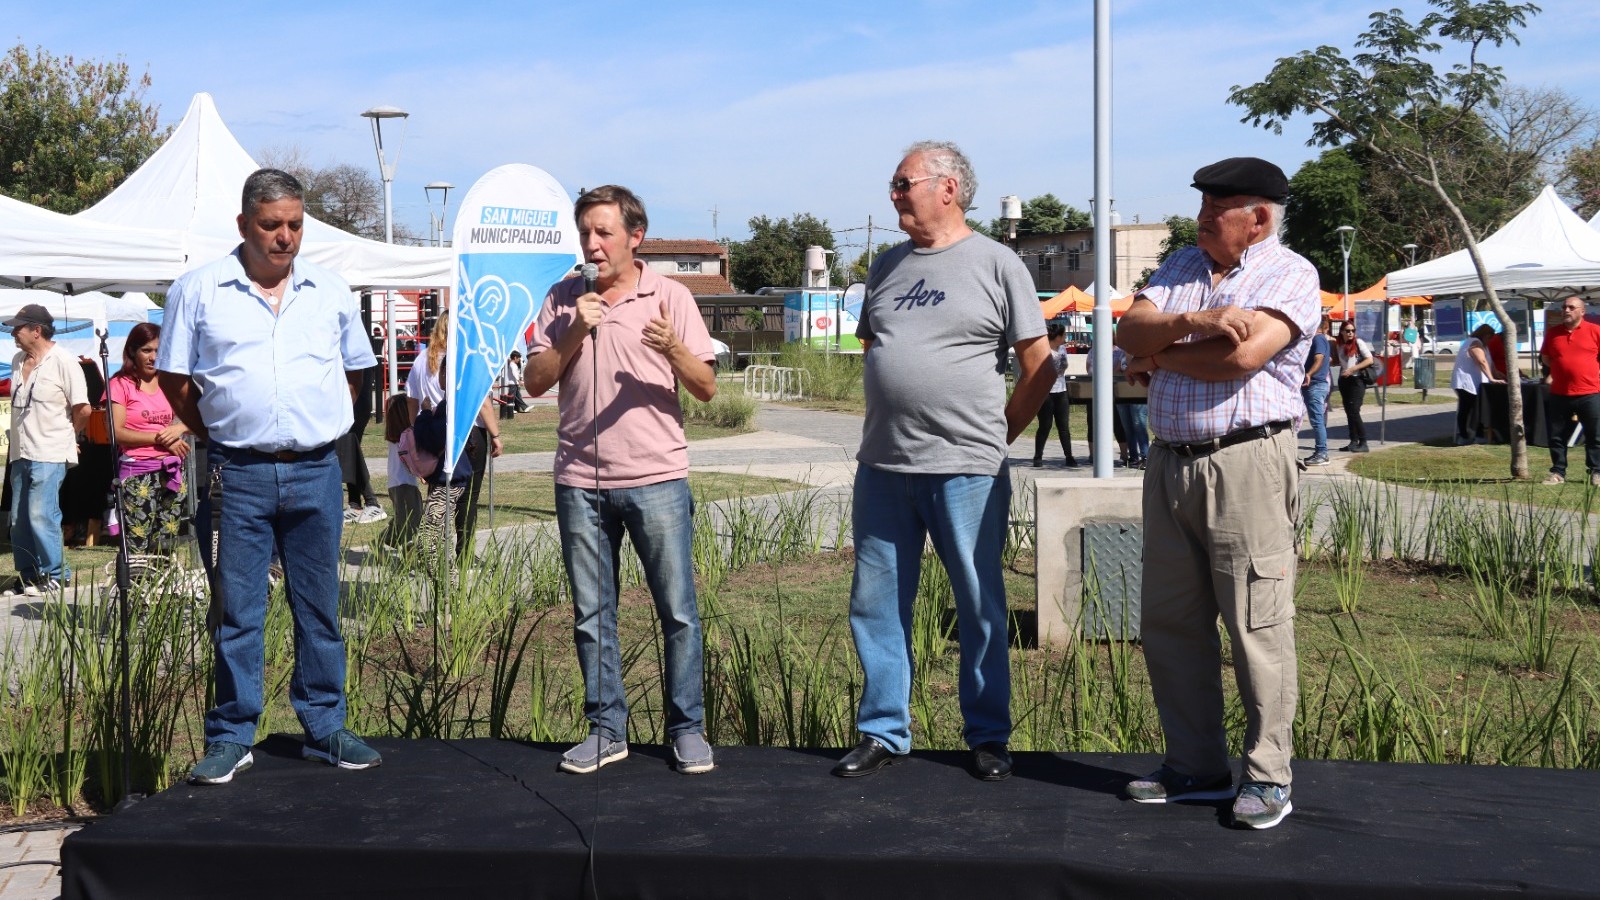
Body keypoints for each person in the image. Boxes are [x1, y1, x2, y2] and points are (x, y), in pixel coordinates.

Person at [832, 141, 1052, 782]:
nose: (893, 194)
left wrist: (997, 437)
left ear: (948, 188)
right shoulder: (886, 265)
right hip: (884, 466)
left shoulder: (997, 263)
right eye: (895, 183)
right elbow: (877, 346)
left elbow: (1040, 366)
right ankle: (883, 731)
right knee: (875, 605)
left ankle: (987, 736)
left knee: (978, 603)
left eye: (904, 183)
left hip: (966, 470)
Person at [158, 168, 382, 785]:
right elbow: (175, 378)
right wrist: (217, 430)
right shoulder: (199, 290)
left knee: (320, 606)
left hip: (316, 471)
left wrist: (318, 422)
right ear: (243, 224)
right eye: (271, 225)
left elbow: (355, 371)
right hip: (238, 474)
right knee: (238, 612)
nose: (285, 237)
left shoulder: (329, 290)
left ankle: (325, 726)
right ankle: (232, 735)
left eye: (295, 225)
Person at [1115, 156, 1319, 829]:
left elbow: (1242, 357)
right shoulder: (1181, 264)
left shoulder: (1290, 273)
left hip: (1247, 464)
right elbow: (1126, 331)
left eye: (1215, 209)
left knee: (1258, 623)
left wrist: (1159, 353)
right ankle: (1195, 766)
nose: (1200, 219)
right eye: (1201, 206)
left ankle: (1268, 775)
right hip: (1170, 463)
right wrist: (1197, 320)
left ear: (1257, 218)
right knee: (1170, 622)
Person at [525, 184, 718, 776]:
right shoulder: (563, 298)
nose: (592, 244)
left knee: (677, 611)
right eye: (585, 233)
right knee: (592, 614)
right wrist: (574, 331)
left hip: (656, 478)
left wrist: (673, 349)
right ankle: (607, 730)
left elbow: (706, 387)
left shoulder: (672, 296)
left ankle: (687, 729)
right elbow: (534, 381)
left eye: (604, 233)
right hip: (579, 482)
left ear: (636, 237)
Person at [3, 304, 89, 596]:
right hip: (21, 451)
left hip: (50, 451)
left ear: (36, 331)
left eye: (18, 328)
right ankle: (29, 577)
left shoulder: (64, 361)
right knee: (19, 520)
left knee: (41, 514)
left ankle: (56, 575)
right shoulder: (18, 360)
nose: (13, 333)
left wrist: (70, 435)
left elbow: (83, 408)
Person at [404, 312, 503, 556]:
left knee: (438, 494)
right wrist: (496, 435)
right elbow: (483, 402)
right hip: (468, 431)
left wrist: (418, 430)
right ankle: (464, 552)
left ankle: (434, 550)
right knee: (468, 496)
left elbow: (411, 400)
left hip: (433, 431)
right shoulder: (465, 357)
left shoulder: (421, 360)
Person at [107, 323, 190, 557]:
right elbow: (116, 433)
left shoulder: (170, 382)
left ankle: (161, 581)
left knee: (166, 544)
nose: (154, 357)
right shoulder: (119, 384)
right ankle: (135, 582)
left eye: (158, 350)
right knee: (137, 545)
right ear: (132, 351)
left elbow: (201, 419)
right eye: (146, 350)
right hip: (138, 475)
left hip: (172, 473)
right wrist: (160, 438)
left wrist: (179, 428)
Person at [1538, 297, 1600, 486]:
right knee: (1557, 436)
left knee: (1595, 436)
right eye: (1564, 307)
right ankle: (1558, 472)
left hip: (1590, 392)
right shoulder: (1553, 333)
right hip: (1560, 393)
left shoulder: (1595, 331)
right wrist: (1561, 369)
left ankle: (1596, 472)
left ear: (1582, 311)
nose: (1566, 310)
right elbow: (1546, 358)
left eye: (1572, 307)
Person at [337, 364, 385, 525]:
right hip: (352, 402)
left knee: (348, 447)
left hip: (354, 402)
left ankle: (372, 502)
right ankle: (355, 503)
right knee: (349, 449)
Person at [378, 394, 422, 552]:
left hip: (395, 484)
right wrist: (421, 473)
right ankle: (408, 552)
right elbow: (409, 459)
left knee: (402, 518)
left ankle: (382, 541)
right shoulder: (406, 436)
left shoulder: (394, 437)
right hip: (406, 485)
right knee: (412, 521)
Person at [1033, 323, 1077, 468]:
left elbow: (1063, 367)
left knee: (1063, 426)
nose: (1065, 337)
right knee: (1045, 425)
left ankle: (1069, 456)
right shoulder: (1043, 350)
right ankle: (1038, 456)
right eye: (1063, 335)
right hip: (1046, 393)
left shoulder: (1063, 349)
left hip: (1061, 391)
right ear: (1057, 337)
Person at [1451, 324, 1501, 446]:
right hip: (1466, 382)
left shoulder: (1483, 346)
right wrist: (1491, 378)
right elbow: (1481, 361)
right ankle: (1464, 436)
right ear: (1485, 335)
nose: (1490, 341)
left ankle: (1476, 434)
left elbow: (1490, 365)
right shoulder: (1475, 343)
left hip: (1475, 383)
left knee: (1477, 408)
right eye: (1489, 338)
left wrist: (1500, 376)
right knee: (1467, 408)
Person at [1332, 321, 1375, 453]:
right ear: (1342, 332)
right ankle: (1353, 441)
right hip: (1345, 381)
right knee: (1349, 412)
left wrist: (1352, 369)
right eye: (1347, 331)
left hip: (1357, 380)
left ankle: (1363, 442)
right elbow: (1338, 361)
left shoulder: (1358, 343)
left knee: (1354, 411)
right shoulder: (1339, 344)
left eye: (1353, 330)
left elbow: (1370, 359)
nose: (1350, 333)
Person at [1301, 315, 1332, 465]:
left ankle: (1322, 453)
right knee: (1318, 419)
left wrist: (1309, 374)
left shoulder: (1318, 339)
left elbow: (1319, 358)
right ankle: (1321, 451)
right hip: (1317, 384)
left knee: (1317, 420)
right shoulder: (1321, 339)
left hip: (1315, 384)